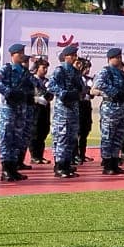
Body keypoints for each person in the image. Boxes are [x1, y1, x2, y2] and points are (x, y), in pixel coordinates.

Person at [0, 42, 35, 183]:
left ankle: (14, 168)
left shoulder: (24, 72)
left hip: (20, 110)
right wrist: (9, 92)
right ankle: (6, 170)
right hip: (8, 109)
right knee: (6, 139)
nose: (23, 55)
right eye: (20, 53)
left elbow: (37, 83)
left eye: (23, 52)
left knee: (18, 139)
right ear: (13, 55)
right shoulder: (6, 69)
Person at [45, 47, 85, 177]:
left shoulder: (75, 71)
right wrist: (64, 93)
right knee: (62, 137)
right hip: (63, 109)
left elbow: (81, 88)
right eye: (72, 55)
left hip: (73, 109)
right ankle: (60, 166)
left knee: (71, 137)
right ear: (66, 56)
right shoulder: (60, 70)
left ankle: (67, 163)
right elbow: (50, 85)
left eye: (75, 55)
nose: (75, 57)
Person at [93, 48, 124, 175]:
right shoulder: (106, 71)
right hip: (110, 107)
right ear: (111, 58)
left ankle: (115, 162)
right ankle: (108, 164)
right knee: (108, 136)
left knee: (118, 137)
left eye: (121, 56)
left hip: (121, 108)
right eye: (118, 57)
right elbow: (98, 84)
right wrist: (114, 92)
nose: (120, 59)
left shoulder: (120, 73)